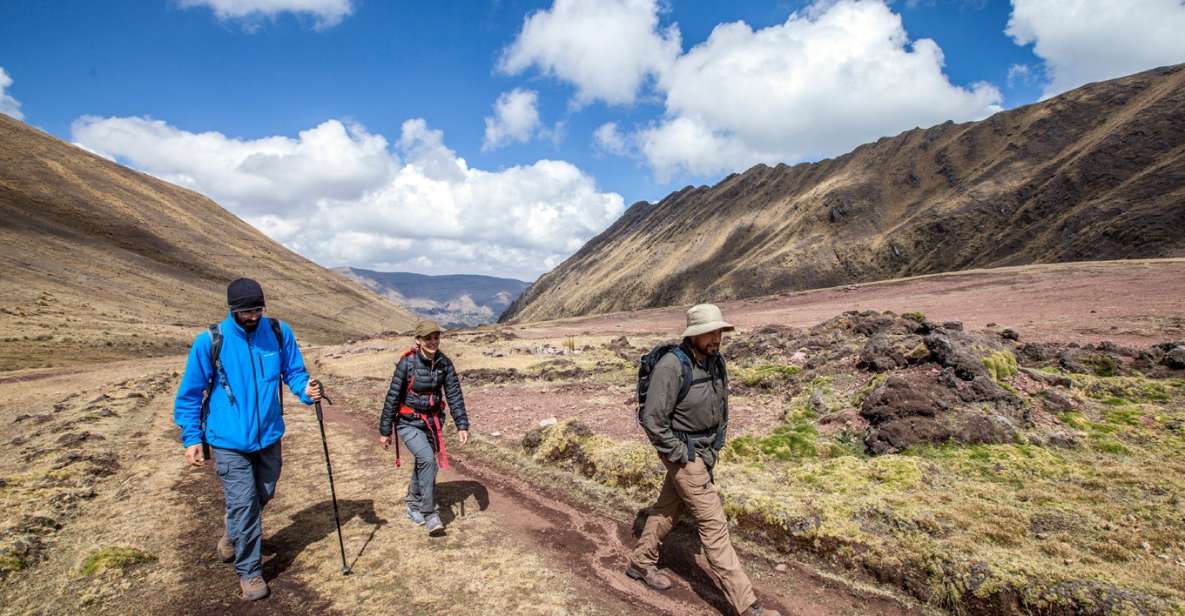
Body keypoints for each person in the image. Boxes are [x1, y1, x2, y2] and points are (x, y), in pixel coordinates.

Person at [173, 278, 322, 601]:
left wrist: (305, 390)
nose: (253, 316)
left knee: (263, 495)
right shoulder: (210, 341)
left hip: (269, 435)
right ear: (232, 310)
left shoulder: (279, 332)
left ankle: (231, 534)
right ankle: (250, 571)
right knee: (245, 504)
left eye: (257, 309)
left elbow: (293, 372)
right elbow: (190, 394)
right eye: (246, 311)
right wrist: (191, 437)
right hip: (227, 441)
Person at [627, 304, 780, 616]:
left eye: (719, 331)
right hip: (684, 453)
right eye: (710, 332)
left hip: (705, 450)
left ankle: (640, 564)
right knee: (713, 524)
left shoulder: (715, 361)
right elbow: (652, 419)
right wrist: (681, 454)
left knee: (668, 508)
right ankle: (748, 606)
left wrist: (717, 441)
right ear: (694, 334)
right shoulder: (671, 367)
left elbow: (721, 403)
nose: (717, 338)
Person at [378, 320, 470, 533]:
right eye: (428, 338)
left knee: (425, 461)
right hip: (408, 423)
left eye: (436, 337)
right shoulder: (406, 363)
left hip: (433, 422)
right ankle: (429, 514)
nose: (433, 341)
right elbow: (392, 397)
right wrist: (385, 432)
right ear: (418, 340)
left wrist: (462, 425)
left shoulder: (445, 363)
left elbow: (454, 395)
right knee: (428, 460)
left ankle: (412, 502)